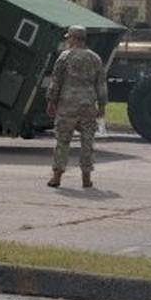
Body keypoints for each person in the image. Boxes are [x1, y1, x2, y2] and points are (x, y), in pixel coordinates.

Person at [47, 25, 108, 188]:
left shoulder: (64, 57)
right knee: (87, 141)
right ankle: (86, 178)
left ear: (74, 38)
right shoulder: (95, 58)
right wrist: (102, 105)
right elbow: (101, 84)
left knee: (63, 141)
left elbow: (56, 82)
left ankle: (57, 177)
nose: (67, 41)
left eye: (69, 38)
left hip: (67, 106)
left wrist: (51, 101)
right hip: (88, 106)